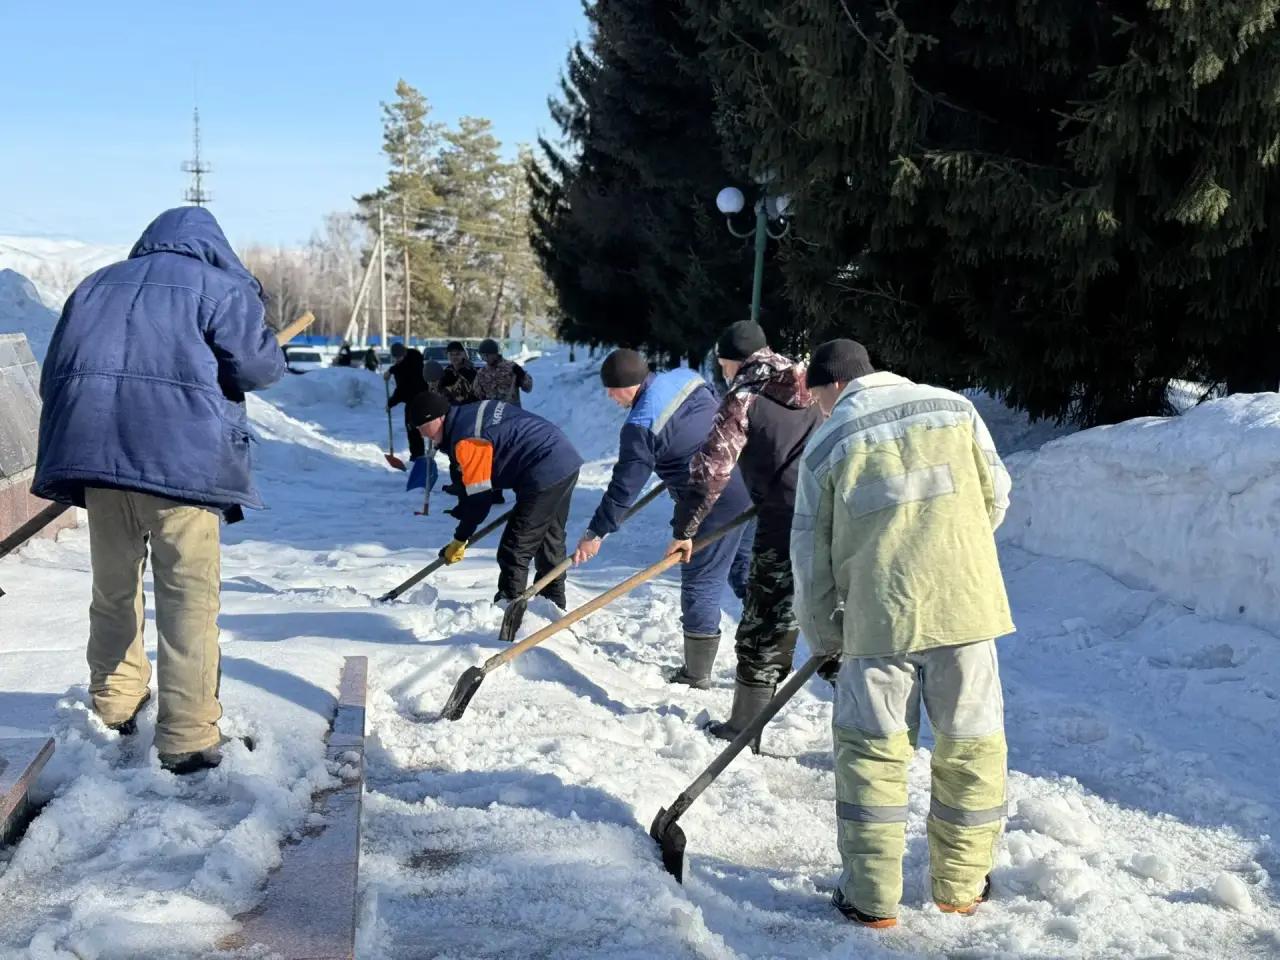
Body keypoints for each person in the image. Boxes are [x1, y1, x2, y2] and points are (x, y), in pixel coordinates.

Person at [32, 206, 285, 775]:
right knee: (187, 597)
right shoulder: (219, 288)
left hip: (99, 460)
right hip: (181, 466)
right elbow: (260, 368)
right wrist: (257, 317)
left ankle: (115, 701)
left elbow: (57, 375)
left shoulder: (95, 285)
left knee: (113, 587)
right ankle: (187, 736)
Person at [791, 339, 1014, 928]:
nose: (819, 409)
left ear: (832, 386)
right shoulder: (955, 408)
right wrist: (949, 550)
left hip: (878, 620)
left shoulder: (829, 442)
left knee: (873, 754)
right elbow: (996, 496)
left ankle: (870, 901)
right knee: (971, 748)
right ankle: (961, 889)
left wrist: (824, 636)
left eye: (817, 398)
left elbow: (809, 557)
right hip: (965, 611)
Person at [667, 320, 822, 745]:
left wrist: (686, 528)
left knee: (763, 625)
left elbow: (711, 472)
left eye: (722, 363)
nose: (722, 370)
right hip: (828, 514)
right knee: (830, 620)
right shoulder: (811, 383)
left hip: (783, 520)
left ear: (732, 361)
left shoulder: (744, 396)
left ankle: (743, 729)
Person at [571, 349, 751, 686]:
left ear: (629, 384)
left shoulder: (640, 425)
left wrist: (595, 533)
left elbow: (624, 488)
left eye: (612, 390)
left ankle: (696, 674)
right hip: (747, 478)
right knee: (746, 568)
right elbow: (715, 412)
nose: (610, 397)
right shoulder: (686, 378)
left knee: (701, 580)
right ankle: (768, 653)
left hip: (712, 499)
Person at [409, 393, 583, 607]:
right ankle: (552, 605)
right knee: (549, 539)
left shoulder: (468, 440)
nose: (421, 433)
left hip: (543, 469)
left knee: (515, 548)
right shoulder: (468, 415)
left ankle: (509, 610)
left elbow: (480, 500)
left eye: (422, 426)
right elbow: (469, 483)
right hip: (563, 458)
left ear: (438, 418)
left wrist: (460, 538)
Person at [386, 342, 429, 461]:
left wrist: (391, 403)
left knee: (413, 428)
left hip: (417, 399)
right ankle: (417, 454)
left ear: (404, 353)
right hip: (418, 398)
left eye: (399, 357)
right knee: (413, 428)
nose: (397, 359)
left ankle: (417, 455)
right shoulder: (411, 359)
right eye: (395, 357)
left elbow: (402, 389)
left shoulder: (408, 366)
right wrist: (392, 370)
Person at [473, 337, 533, 406]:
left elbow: (528, 388)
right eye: (482, 356)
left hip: (511, 410)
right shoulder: (482, 373)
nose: (484, 359)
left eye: (486, 355)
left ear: (495, 354)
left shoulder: (512, 367)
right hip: (492, 411)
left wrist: (522, 375)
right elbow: (477, 395)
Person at [439, 340, 478, 405]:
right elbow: (442, 391)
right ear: (447, 355)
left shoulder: (471, 371)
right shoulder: (447, 372)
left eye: (457, 354)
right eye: (451, 354)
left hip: (468, 407)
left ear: (463, 354)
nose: (454, 357)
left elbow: (475, 393)